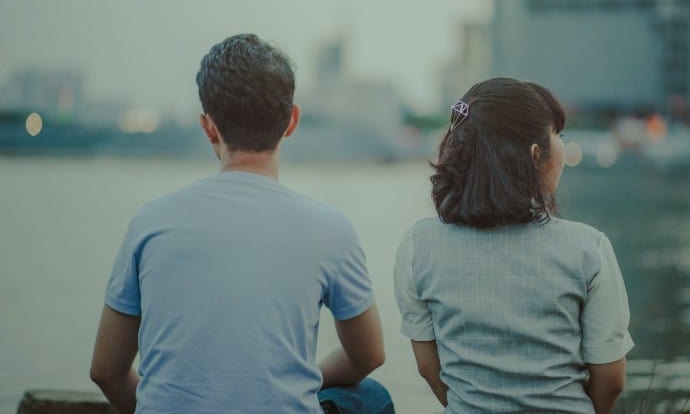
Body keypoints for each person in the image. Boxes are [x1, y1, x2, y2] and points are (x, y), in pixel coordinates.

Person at [90, 34, 393, 414]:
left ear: (208, 127)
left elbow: (105, 371)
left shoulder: (150, 222)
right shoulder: (331, 230)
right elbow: (369, 356)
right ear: (291, 121)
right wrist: (304, 377)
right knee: (371, 398)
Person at [394, 78, 634, 413]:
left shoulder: (418, 245)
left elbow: (428, 367)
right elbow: (611, 381)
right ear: (536, 155)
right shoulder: (587, 249)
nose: (563, 147)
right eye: (558, 136)